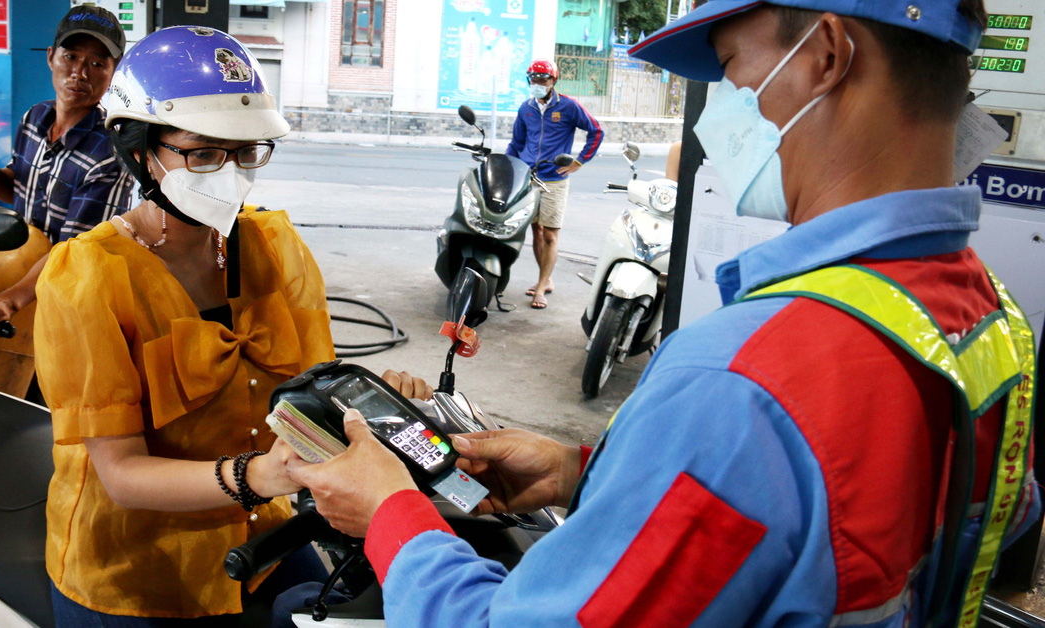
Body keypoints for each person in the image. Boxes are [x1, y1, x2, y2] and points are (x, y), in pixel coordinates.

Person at [284, 0, 1041, 626]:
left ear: (827, 54)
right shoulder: (987, 320)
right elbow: (830, 530)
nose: (719, 114)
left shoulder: (744, 379)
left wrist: (390, 514)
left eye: (734, 69)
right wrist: (593, 474)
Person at [33, 27, 429, 625]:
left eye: (246, 152)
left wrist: (373, 407)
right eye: (204, 153)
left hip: (263, 538)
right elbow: (120, 475)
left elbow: (309, 390)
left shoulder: (274, 246)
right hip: (135, 566)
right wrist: (257, 475)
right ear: (140, 148)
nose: (230, 174)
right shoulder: (86, 277)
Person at [0, 5, 133, 333]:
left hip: (69, 295)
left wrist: (11, 299)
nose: (80, 73)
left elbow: (75, 250)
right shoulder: (34, 119)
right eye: (71, 56)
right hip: (20, 275)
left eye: (97, 63)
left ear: (113, 72)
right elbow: (21, 193)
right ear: (50, 57)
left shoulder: (110, 152)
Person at [507, 59, 603, 309]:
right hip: (529, 178)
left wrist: (579, 162)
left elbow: (596, 131)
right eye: (534, 79)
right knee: (535, 231)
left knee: (550, 234)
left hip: (554, 179)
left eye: (543, 79)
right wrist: (507, 168)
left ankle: (540, 287)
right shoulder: (525, 108)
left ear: (553, 82)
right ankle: (545, 279)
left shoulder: (568, 106)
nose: (538, 83)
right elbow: (517, 144)